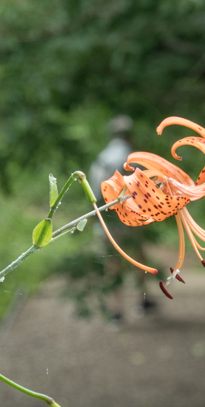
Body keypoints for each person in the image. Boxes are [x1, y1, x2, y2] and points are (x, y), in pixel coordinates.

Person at [89, 116, 155, 322]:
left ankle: (116, 310)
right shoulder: (133, 157)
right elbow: (145, 190)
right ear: (129, 135)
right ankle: (142, 300)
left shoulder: (101, 158)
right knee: (138, 258)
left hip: (107, 218)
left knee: (112, 264)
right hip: (131, 216)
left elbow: (94, 191)